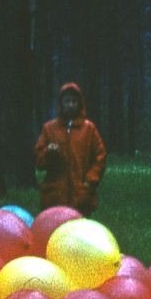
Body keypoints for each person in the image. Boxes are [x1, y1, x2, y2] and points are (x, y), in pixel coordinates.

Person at [33, 82, 107, 217]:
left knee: (80, 229)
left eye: (74, 101)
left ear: (80, 103)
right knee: (55, 229)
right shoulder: (49, 129)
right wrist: (48, 152)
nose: (70, 105)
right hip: (55, 197)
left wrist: (90, 182)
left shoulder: (89, 129)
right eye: (67, 101)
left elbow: (100, 157)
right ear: (61, 104)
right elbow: (39, 161)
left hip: (81, 196)